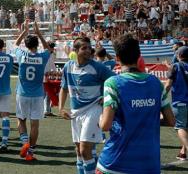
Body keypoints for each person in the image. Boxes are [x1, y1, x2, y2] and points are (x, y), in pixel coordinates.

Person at [96, 34, 175, 174]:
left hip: (115, 163)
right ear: (139, 55)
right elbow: (171, 121)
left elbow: (105, 125)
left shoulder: (113, 83)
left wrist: (100, 117)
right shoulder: (156, 83)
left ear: (117, 58)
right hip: (149, 163)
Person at [59, 37, 115, 174]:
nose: (88, 51)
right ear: (75, 50)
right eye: (84, 48)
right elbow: (64, 88)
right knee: (79, 151)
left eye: (89, 48)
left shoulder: (97, 67)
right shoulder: (68, 67)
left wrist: (106, 97)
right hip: (75, 112)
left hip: (93, 109)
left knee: (85, 150)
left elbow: (115, 81)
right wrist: (61, 108)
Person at [14, 21, 52, 161]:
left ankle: (25, 143)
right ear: (37, 44)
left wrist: (24, 31)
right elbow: (49, 49)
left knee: (21, 120)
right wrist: (39, 34)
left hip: (22, 93)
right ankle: (30, 153)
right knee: (35, 124)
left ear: (27, 45)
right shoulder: (42, 57)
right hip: (37, 95)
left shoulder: (22, 55)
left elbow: (15, 45)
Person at [165, 46, 188, 161]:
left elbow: (168, 85)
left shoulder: (176, 66)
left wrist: (161, 98)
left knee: (180, 127)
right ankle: (183, 152)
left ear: (178, 55)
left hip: (180, 103)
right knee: (186, 127)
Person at [43, 41, 56, 117]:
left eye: (53, 47)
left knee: (49, 94)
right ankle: (41, 111)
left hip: (49, 76)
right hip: (43, 76)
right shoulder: (44, 54)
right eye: (51, 47)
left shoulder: (51, 55)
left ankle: (47, 111)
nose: (53, 49)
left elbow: (52, 65)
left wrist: (54, 72)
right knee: (43, 94)